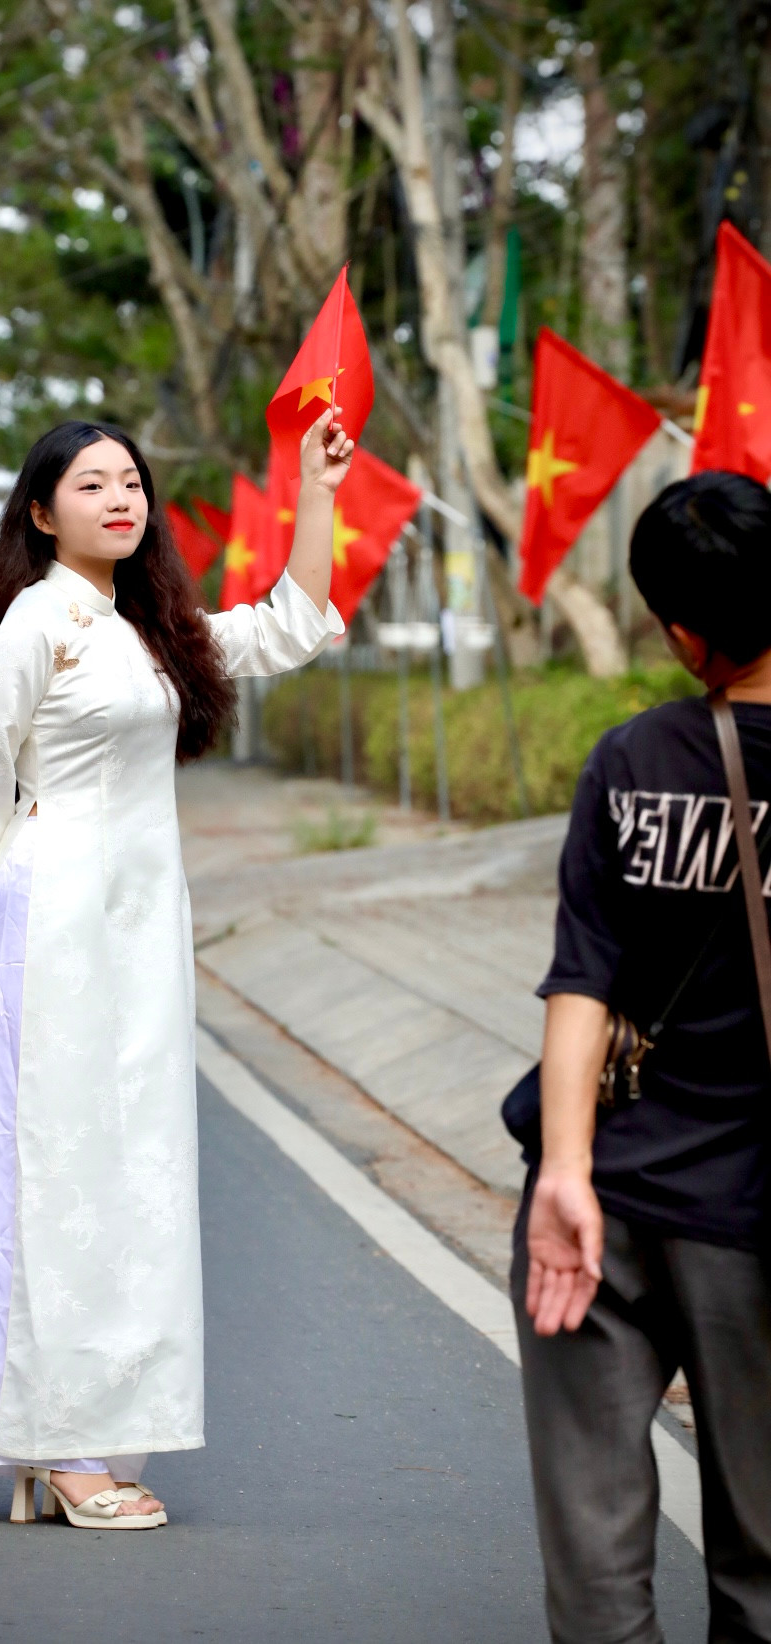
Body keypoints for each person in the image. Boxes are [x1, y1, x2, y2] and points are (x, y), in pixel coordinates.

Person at [0, 409, 352, 1528]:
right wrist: (21, 859)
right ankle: (60, 1441)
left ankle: (88, 1430)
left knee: (134, 1172)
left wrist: (316, 486)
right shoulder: (37, 625)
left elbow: (288, 627)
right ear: (42, 514)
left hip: (141, 931)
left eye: (129, 480)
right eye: (90, 485)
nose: (118, 499)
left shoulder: (154, 630)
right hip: (53, 926)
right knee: (58, 1169)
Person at [514, 470, 771, 1641]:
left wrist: (564, 1173)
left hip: (604, 1190)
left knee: (595, 1550)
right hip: (747, 1211)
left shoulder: (630, 761)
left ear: (679, 630)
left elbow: (582, 982)